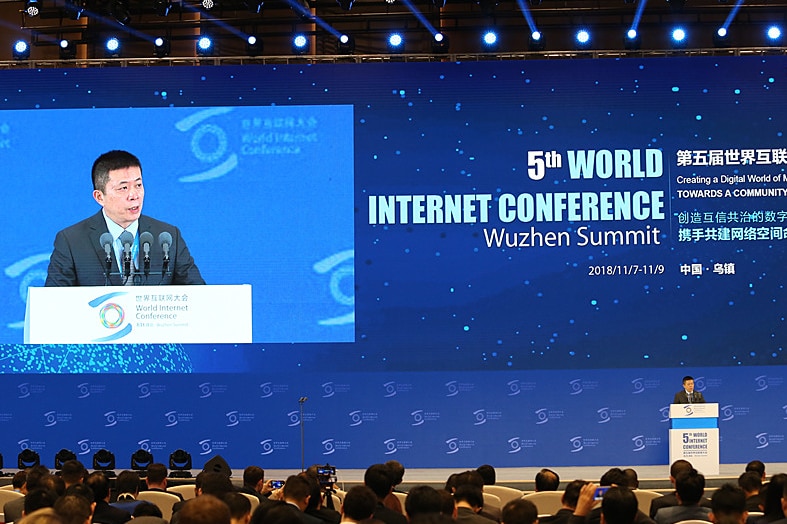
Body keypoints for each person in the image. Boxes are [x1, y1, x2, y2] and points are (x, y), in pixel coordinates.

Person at [45, 149, 205, 287]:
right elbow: (54, 306)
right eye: (123, 188)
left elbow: (199, 296)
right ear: (99, 197)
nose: (134, 195)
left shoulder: (168, 237)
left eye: (138, 185)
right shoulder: (71, 241)